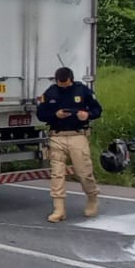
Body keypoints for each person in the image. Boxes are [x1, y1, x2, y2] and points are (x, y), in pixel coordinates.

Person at [36, 66, 102, 222]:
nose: (62, 86)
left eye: (65, 83)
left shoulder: (82, 90)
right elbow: (41, 114)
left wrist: (87, 115)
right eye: (60, 83)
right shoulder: (51, 92)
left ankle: (92, 198)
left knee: (83, 172)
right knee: (57, 173)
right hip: (57, 136)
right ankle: (59, 209)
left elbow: (97, 109)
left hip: (77, 135)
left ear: (70, 79)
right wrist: (55, 115)